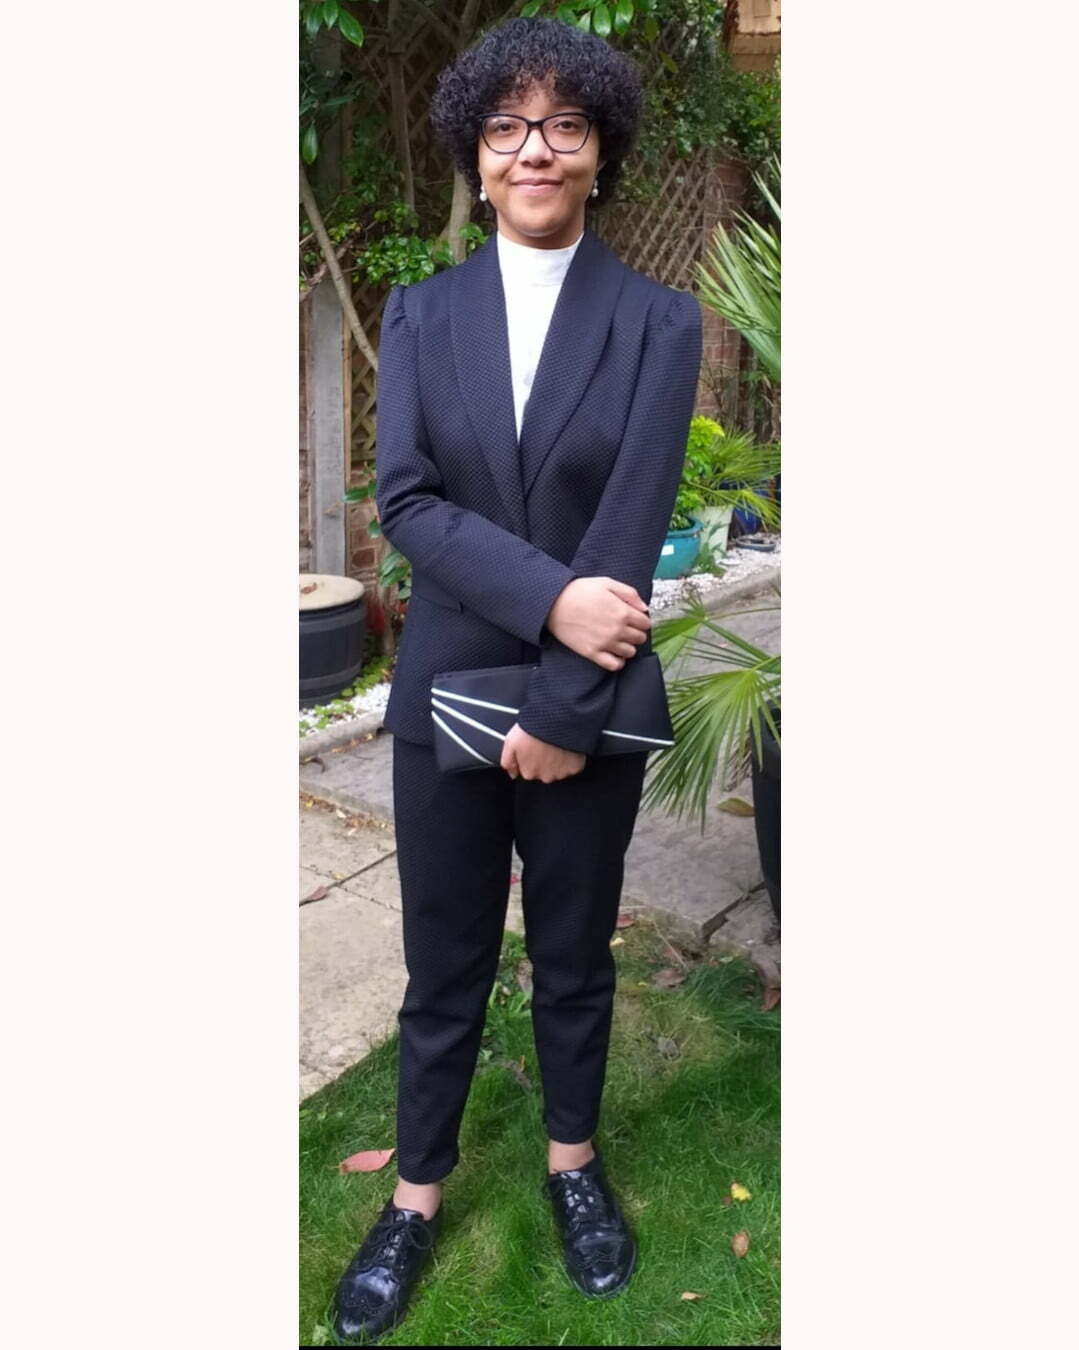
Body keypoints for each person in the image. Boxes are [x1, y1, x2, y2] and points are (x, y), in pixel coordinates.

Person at [330, 16, 702, 1343]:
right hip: (445, 691)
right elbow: (410, 502)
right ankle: (415, 1195)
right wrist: (549, 600)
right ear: (477, 156)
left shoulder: (660, 322)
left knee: (573, 954)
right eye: (507, 127)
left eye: (565, 125)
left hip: (585, 700)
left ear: (600, 151)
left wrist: (556, 708)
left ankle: (572, 1162)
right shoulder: (422, 315)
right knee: (442, 960)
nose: (534, 150)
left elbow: (630, 526)